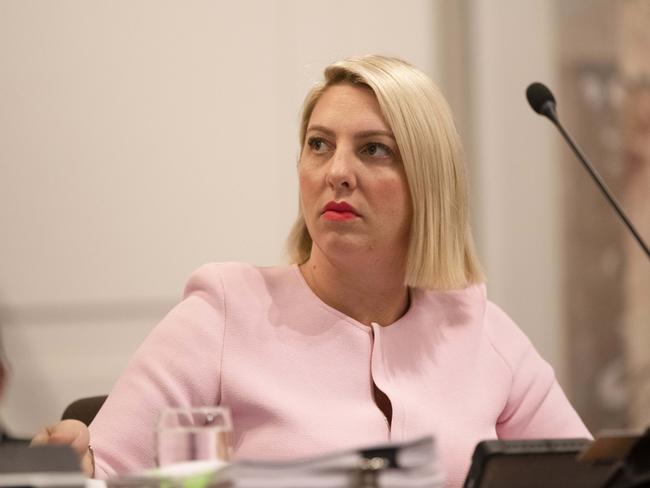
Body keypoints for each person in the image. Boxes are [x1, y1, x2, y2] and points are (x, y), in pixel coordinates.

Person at [32, 55, 590, 487]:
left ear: (429, 181)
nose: (338, 172)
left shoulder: (478, 326)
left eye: (374, 149)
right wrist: (73, 465)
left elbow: (590, 475)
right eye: (319, 145)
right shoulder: (223, 313)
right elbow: (103, 473)